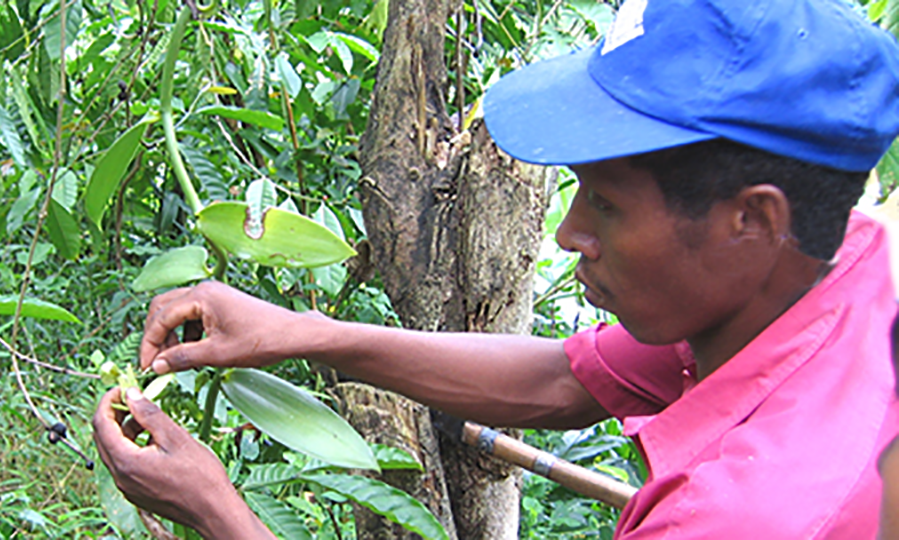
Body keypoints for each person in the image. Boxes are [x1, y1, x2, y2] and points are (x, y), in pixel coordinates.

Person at [92, 0, 899, 538]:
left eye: (608, 205)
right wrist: (307, 334)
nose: (567, 234)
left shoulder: (745, 517)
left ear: (751, 219)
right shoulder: (842, 271)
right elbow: (566, 381)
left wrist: (218, 513)